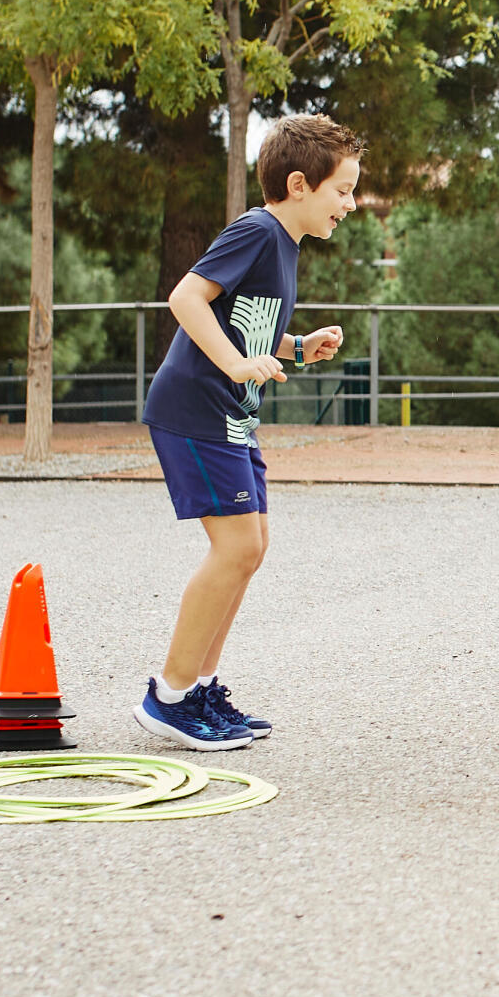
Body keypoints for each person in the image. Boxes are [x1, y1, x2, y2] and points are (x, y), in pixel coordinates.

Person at [134, 114, 361, 750]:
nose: (351, 203)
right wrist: (236, 365)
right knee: (234, 549)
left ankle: (202, 687)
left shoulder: (284, 247)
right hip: (196, 411)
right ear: (298, 184)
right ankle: (168, 695)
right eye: (342, 190)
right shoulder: (259, 231)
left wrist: (295, 345)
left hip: (230, 415)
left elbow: (245, 324)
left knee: (251, 548)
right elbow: (187, 299)